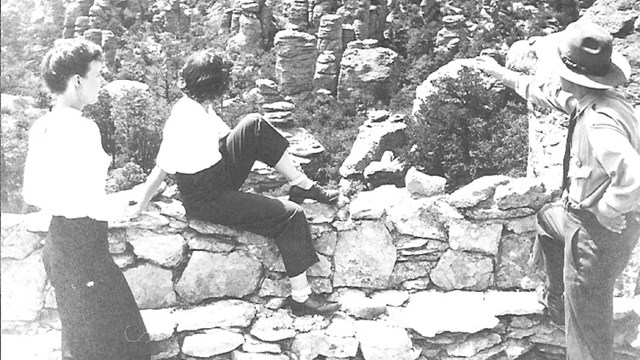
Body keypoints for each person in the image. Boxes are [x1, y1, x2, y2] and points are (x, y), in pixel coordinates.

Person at [473, 21, 640, 360]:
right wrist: (498, 73)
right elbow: (545, 91)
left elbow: (633, 177)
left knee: (588, 342)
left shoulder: (599, 121)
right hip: (574, 221)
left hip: (593, 236)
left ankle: (575, 318)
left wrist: (608, 210)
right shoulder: (599, 101)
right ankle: (558, 302)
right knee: (548, 220)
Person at [129, 49, 340, 315]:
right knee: (291, 215)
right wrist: (140, 205)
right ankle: (301, 299)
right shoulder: (182, 119)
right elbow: (161, 169)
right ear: (215, 84)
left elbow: (229, 137)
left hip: (218, 174)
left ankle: (301, 183)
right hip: (207, 198)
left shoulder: (201, 106)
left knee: (255, 124)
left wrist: (250, 149)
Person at [23, 38, 149, 359]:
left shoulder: (42, 126)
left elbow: (32, 193)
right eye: (97, 75)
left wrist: (70, 199)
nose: (102, 82)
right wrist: (130, 203)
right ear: (77, 80)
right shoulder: (84, 129)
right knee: (125, 345)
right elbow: (93, 204)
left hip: (59, 246)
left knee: (80, 344)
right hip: (85, 250)